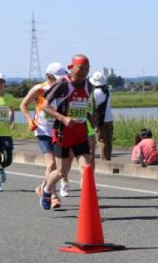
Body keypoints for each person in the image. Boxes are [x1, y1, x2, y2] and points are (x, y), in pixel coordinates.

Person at [40, 54, 96, 207]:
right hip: (62, 134)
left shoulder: (88, 85)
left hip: (80, 134)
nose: (84, 72)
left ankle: (88, 204)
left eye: (87, 69)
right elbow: (45, 106)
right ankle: (47, 190)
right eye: (80, 68)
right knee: (61, 172)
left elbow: (89, 105)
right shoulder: (62, 84)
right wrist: (63, 118)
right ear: (72, 68)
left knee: (86, 168)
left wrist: (92, 118)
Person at [21, 62, 63, 209]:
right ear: (48, 76)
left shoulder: (64, 88)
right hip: (43, 130)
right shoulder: (39, 89)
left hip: (58, 129)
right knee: (51, 164)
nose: (60, 80)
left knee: (58, 166)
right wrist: (29, 119)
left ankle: (43, 187)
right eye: (56, 77)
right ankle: (53, 195)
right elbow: (23, 105)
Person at [91, 70, 115, 161]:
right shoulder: (108, 91)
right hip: (109, 118)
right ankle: (108, 158)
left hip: (100, 120)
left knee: (102, 140)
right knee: (109, 140)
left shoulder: (94, 93)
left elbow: (93, 107)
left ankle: (104, 161)